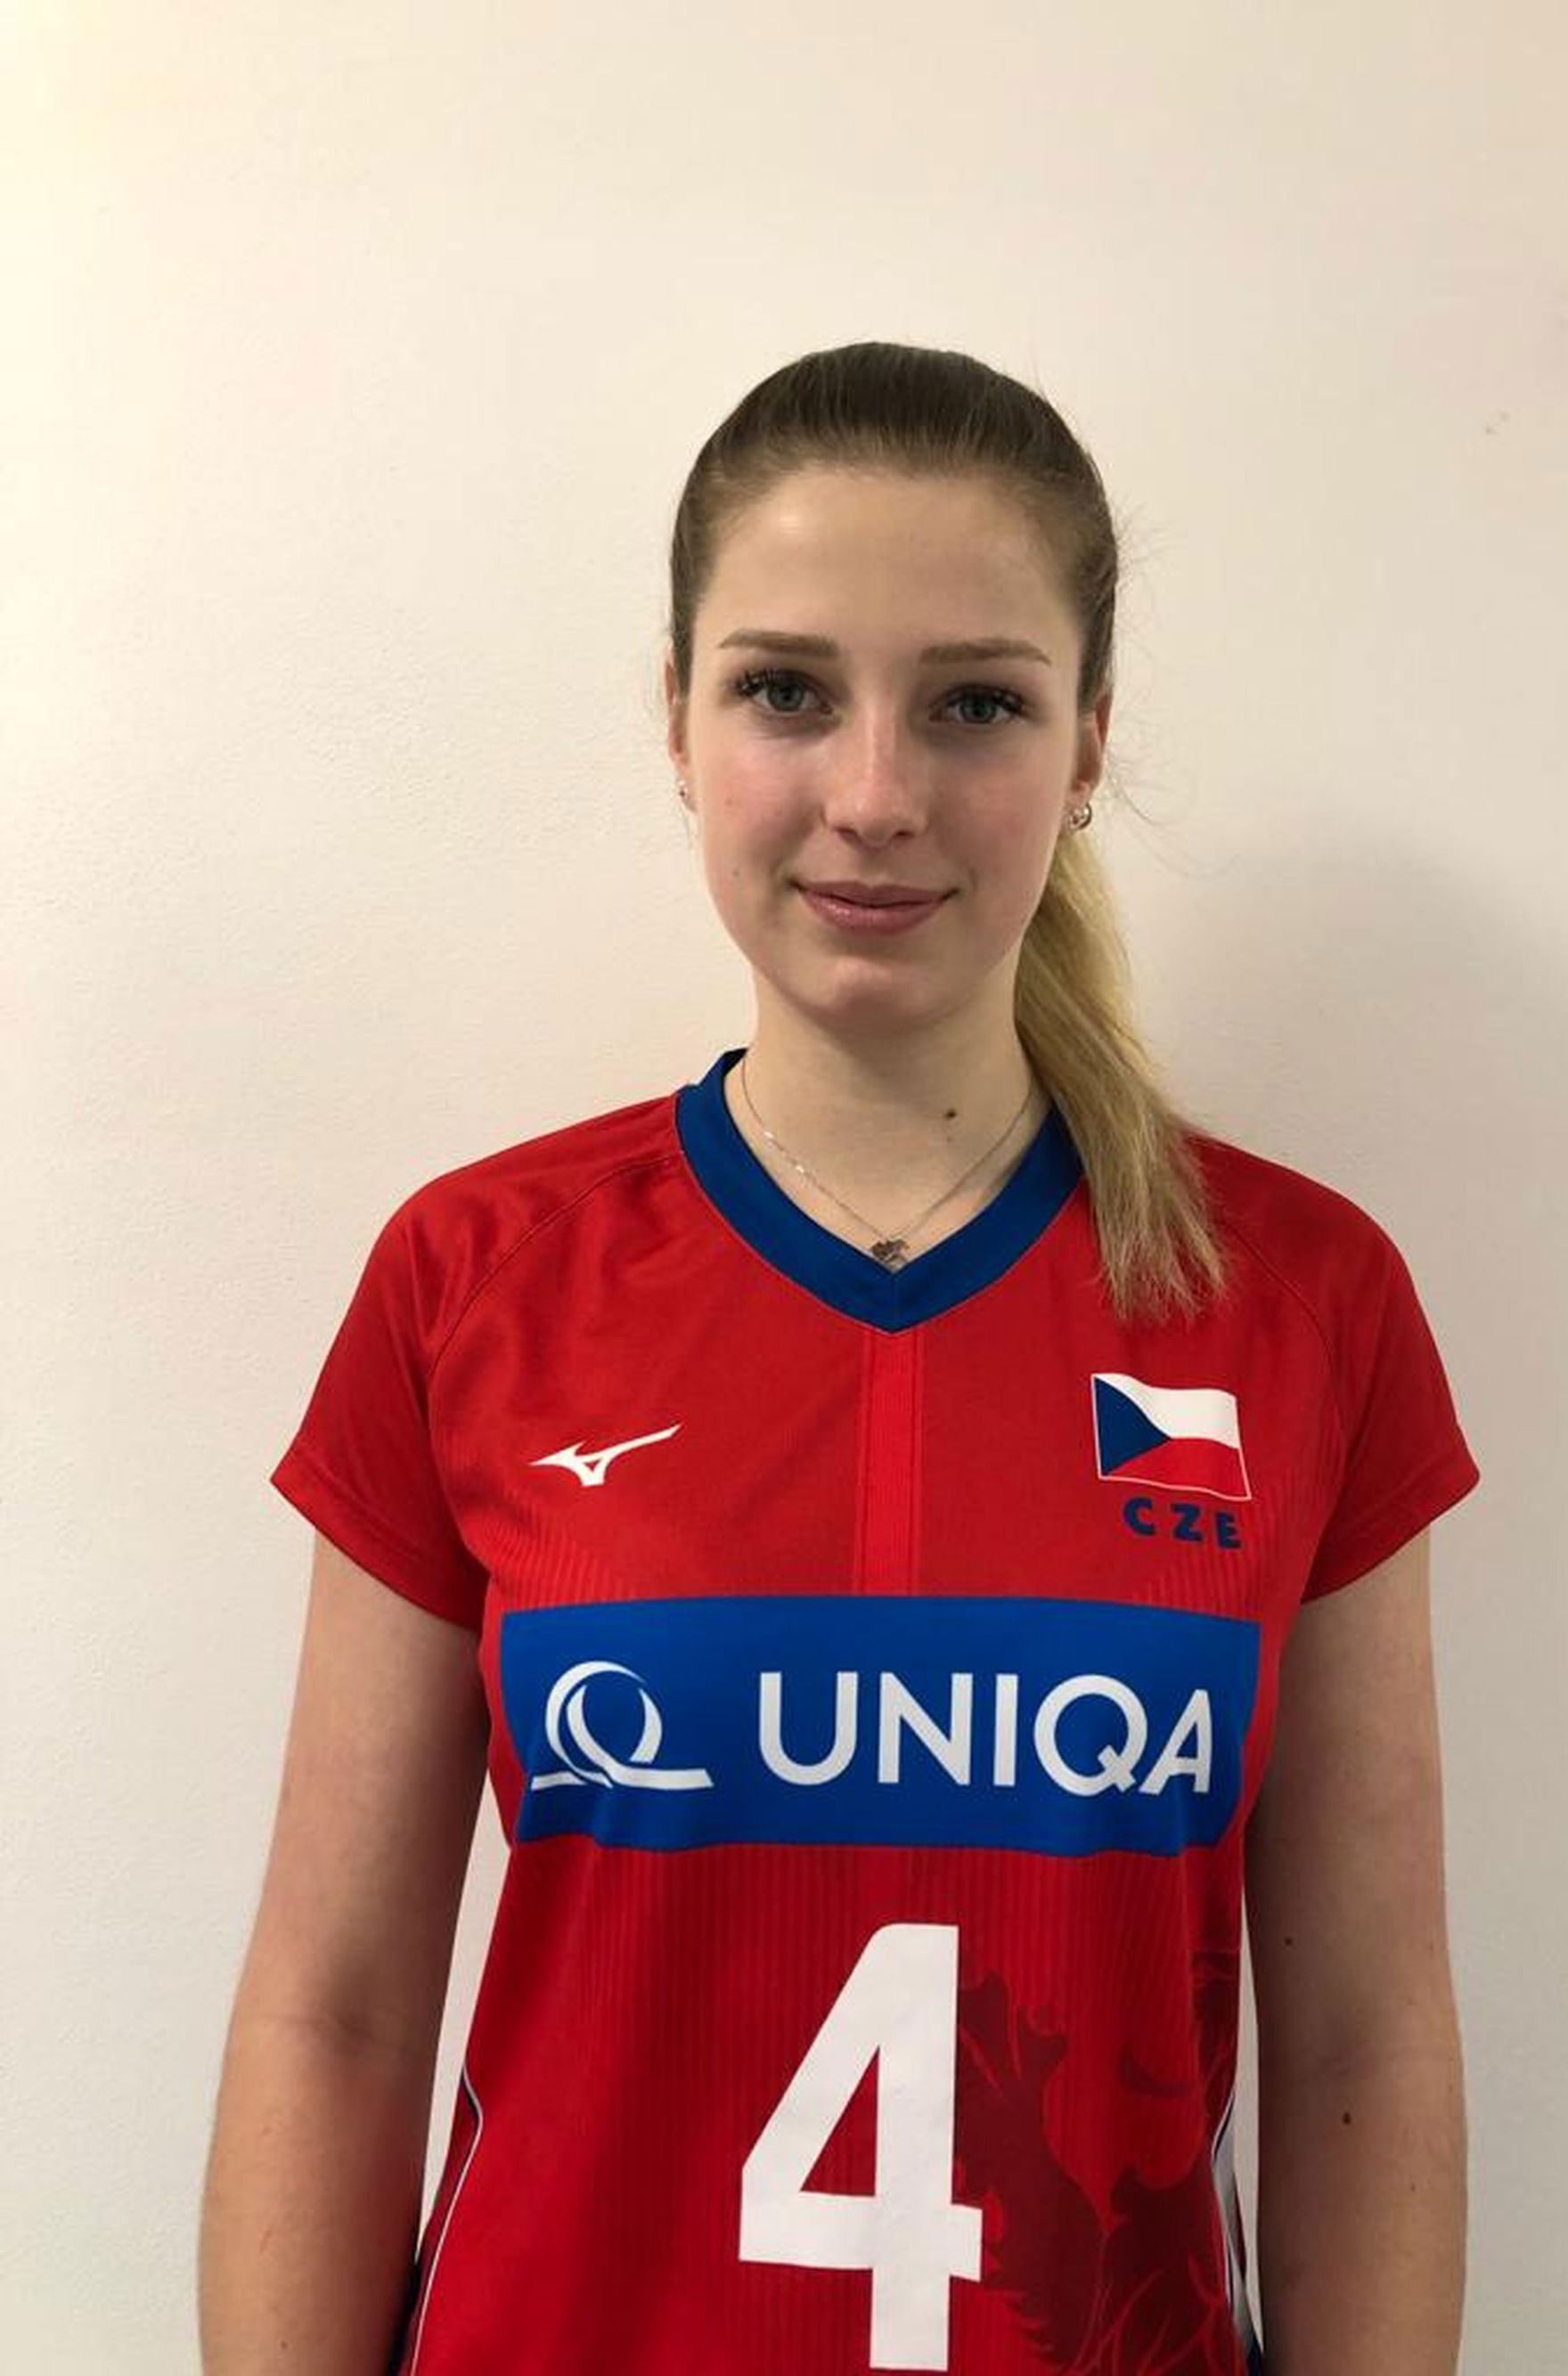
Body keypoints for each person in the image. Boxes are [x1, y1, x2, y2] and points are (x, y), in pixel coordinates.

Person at [199, 340, 1479, 2376]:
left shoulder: (1303, 1300)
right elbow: (333, 2007)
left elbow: (1364, 2039)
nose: (873, 793)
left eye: (975, 702)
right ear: (678, 722)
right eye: (785, 689)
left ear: (1086, 743)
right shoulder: (474, 1277)